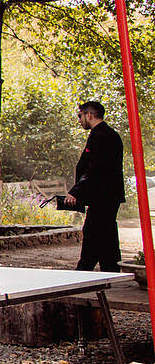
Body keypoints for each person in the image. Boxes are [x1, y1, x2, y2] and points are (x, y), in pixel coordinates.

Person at [63, 100, 125, 271]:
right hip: (105, 196)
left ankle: (85, 272)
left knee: (93, 233)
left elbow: (95, 169)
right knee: (105, 236)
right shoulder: (104, 134)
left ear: (89, 115)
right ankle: (109, 270)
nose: (79, 120)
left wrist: (76, 191)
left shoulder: (102, 136)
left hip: (103, 196)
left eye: (80, 116)